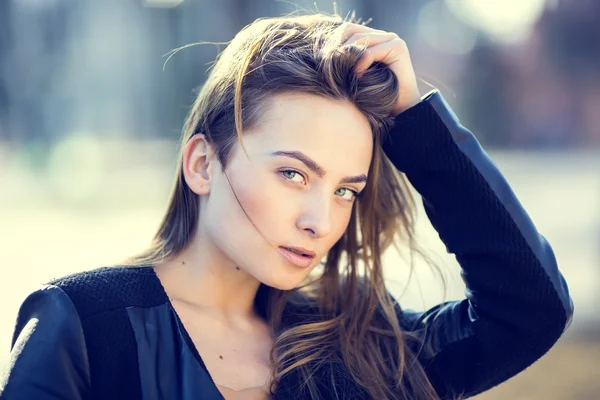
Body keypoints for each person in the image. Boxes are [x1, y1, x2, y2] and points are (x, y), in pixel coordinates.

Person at [0, 13, 573, 400]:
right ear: (202, 164)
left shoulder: (362, 342)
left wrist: (416, 119)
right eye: (293, 173)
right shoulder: (83, 325)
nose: (319, 222)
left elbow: (531, 310)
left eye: (345, 189)